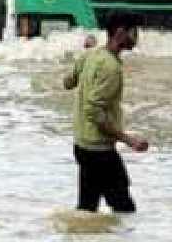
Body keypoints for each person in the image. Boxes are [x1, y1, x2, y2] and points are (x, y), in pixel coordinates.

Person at [69, 12, 148, 214]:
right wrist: (128, 140)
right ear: (121, 33)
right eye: (134, 32)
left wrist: (86, 54)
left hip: (81, 145)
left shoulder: (91, 55)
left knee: (87, 209)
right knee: (125, 209)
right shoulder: (111, 68)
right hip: (99, 151)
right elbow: (93, 110)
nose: (136, 37)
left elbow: (68, 82)